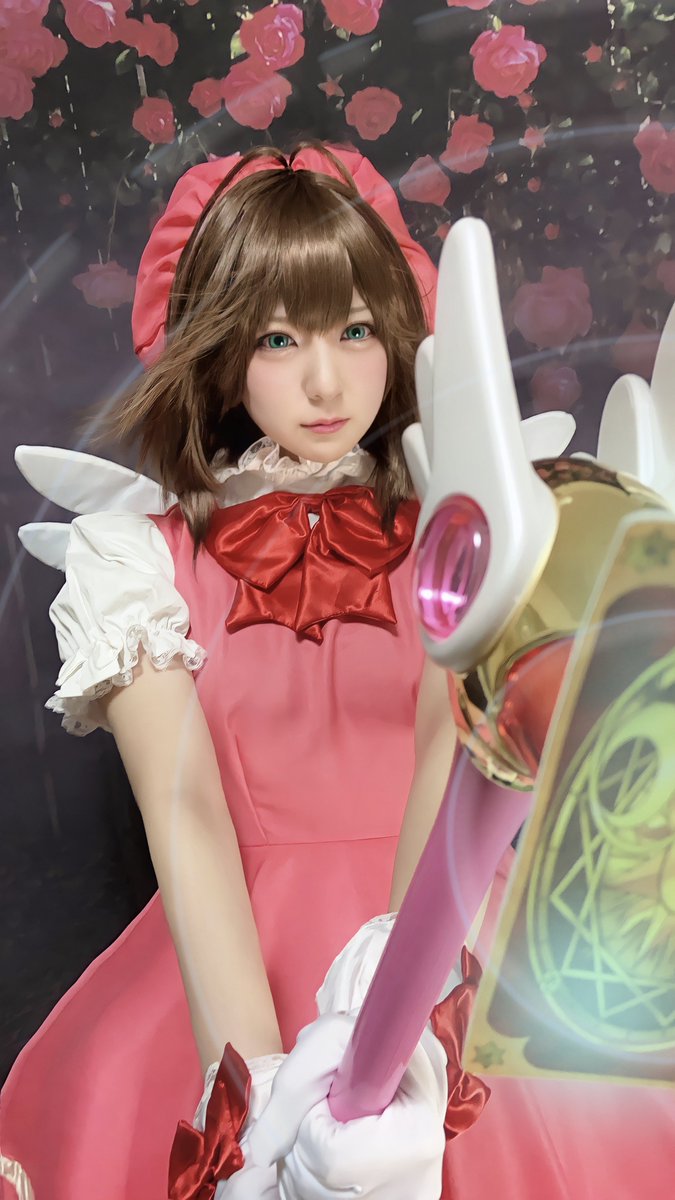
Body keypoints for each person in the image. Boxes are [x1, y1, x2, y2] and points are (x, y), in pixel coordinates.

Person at [2, 142, 459, 1200]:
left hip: (446, 939)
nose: (325, 381)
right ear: (218, 352)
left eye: (355, 330)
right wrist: (257, 1094)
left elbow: (460, 758)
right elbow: (188, 815)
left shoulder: (463, 532)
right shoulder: (137, 560)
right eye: (277, 339)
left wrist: (407, 1017)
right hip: (230, 961)